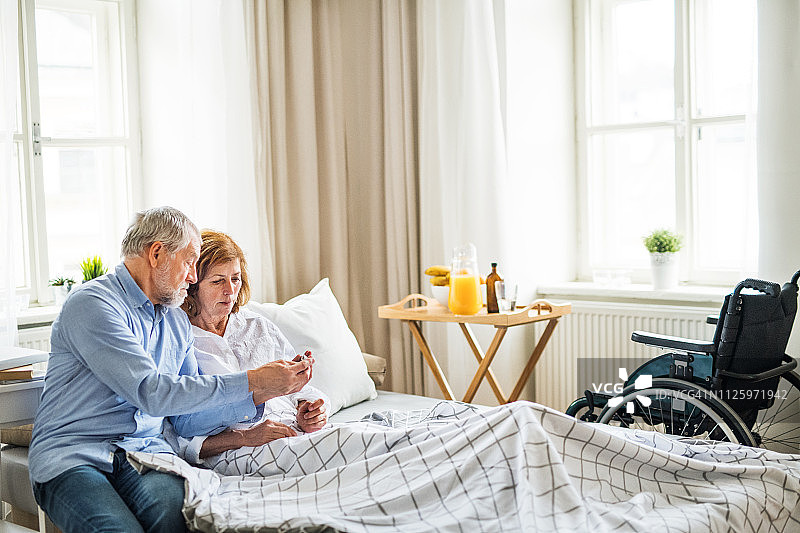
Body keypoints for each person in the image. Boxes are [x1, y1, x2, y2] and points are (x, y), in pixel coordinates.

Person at [28, 207, 314, 533]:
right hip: (75, 454)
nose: (193, 276)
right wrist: (251, 380)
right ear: (157, 253)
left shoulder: (175, 321)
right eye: (189, 262)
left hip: (145, 453)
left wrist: (263, 390)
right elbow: (151, 393)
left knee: (177, 519)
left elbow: (187, 419)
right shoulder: (93, 304)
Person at [170, 230, 328, 465]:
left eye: (235, 278)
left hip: (298, 434)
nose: (230, 291)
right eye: (217, 281)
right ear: (192, 286)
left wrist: (309, 412)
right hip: (249, 452)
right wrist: (245, 438)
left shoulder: (257, 326)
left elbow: (301, 394)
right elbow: (181, 439)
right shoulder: (180, 341)